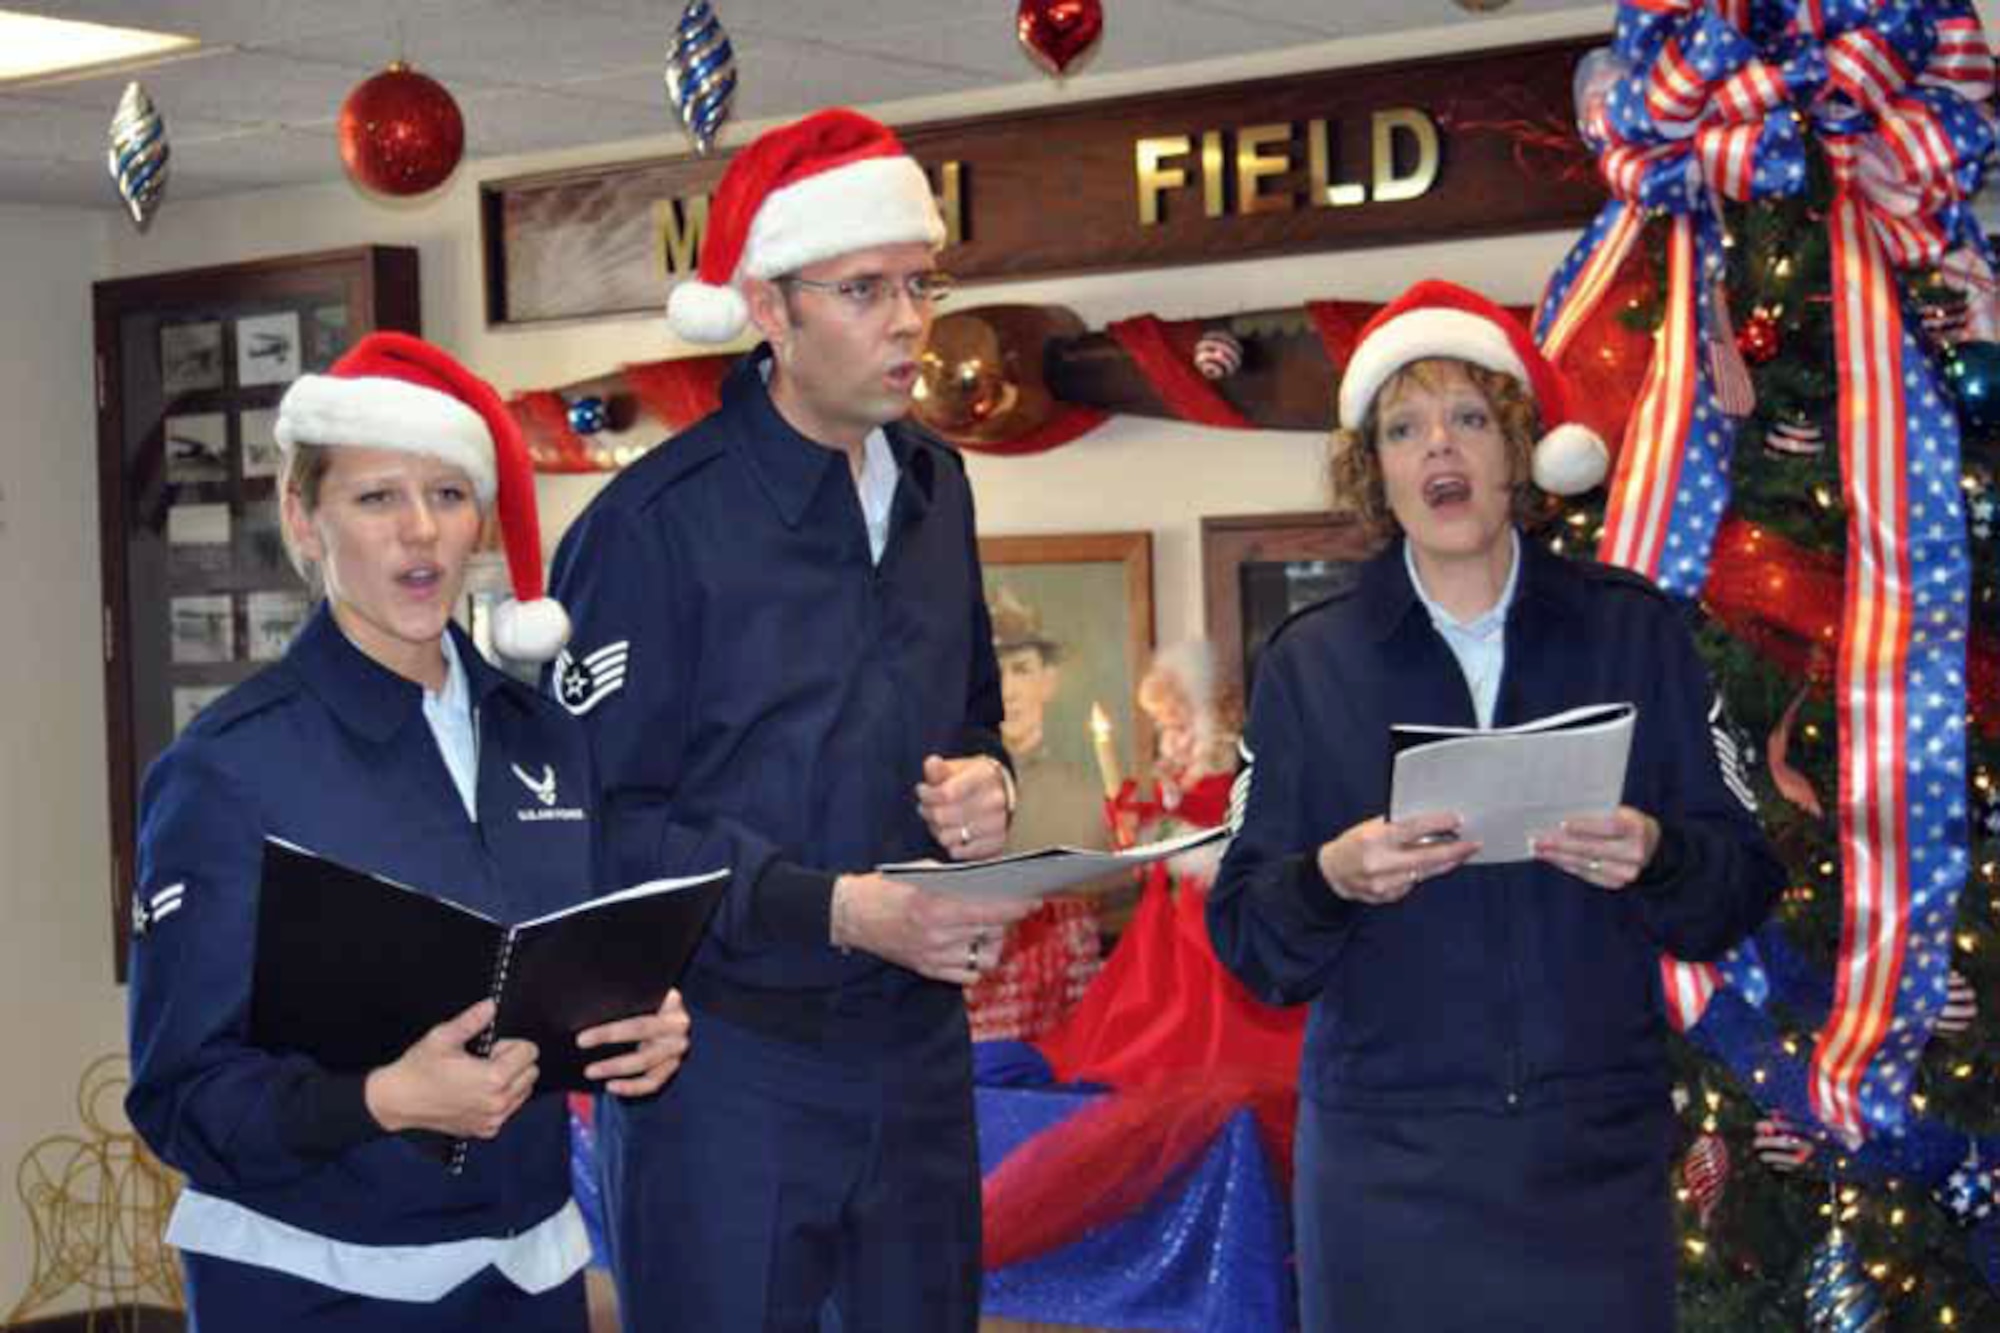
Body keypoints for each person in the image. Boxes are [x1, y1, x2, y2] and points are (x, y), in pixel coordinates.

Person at [1206, 280, 1785, 1332]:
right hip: (1385, 1170)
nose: (1440, 449)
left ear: (1518, 449)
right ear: (1372, 468)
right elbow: (1249, 937)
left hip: (1590, 1165)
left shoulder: (1636, 636)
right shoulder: (1308, 666)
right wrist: (1329, 878)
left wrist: (1657, 854)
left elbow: (1738, 879)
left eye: (1469, 417)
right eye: (1403, 426)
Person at [546, 107, 1033, 1333]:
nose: (909, 320)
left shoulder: (938, 487)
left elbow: (971, 714)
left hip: (916, 1052)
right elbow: (599, 826)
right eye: (864, 289)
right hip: (722, 1064)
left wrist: (987, 786)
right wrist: (830, 907)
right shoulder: (650, 530)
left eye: (919, 283)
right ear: (768, 308)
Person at [124, 332, 693, 1333]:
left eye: (448, 494)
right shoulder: (227, 768)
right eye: (376, 498)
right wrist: (383, 1098)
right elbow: (181, 1098)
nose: (420, 533)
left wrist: (635, 1032)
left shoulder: (545, 739)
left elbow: (569, 976)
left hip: (528, 1270)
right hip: (317, 1287)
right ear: (304, 520)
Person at [966, 587, 1103, 1041]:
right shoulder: (953, 789)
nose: (1008, 689)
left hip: (1059, 989)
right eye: (995, 671)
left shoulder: (1084, 791)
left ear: (1048, 679)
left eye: (1021, 670)